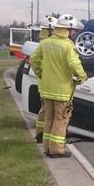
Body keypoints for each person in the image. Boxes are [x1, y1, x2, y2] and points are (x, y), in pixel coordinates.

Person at [30, 14, 87, 158]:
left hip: (47, 90)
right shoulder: (68, 45)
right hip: (62, 91)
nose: (74, 33)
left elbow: (34, 59)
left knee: (49, 118)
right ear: (67, 29)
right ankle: (56, 150)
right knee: (61, 120)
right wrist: (82, 77)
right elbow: (74, 64)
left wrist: (41, 74)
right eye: (73, 30)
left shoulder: (45, 43)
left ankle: (47, 148)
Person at [34, 15, 58, 144]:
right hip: (50, 82)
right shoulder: (51, 44)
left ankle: (40, 132)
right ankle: (46, 135)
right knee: (51, 112)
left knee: (43, 109)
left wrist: (40, 74)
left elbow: (34, 60)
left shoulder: (42, 43)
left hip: (43, 82)